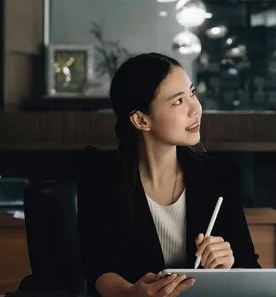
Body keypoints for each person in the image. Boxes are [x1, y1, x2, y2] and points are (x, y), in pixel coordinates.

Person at [77, 53, 260, 297]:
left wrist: (229, 263)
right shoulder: (101, 176)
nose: (196, 108)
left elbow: (249, 267)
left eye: (192, 93)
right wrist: (131, 293)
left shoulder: (219, 176)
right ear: (141, 119)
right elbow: (98, 269)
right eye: (178, 102)